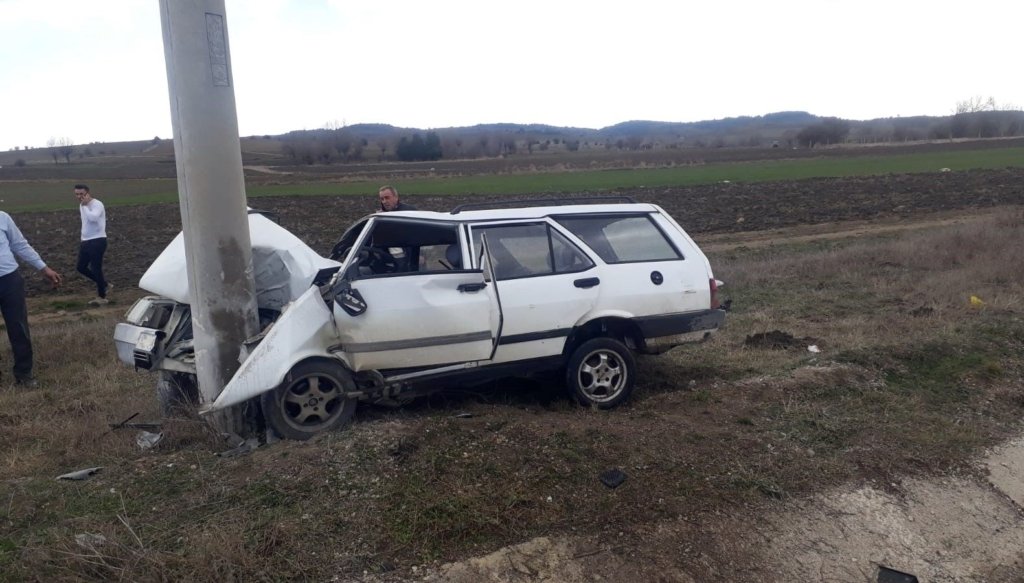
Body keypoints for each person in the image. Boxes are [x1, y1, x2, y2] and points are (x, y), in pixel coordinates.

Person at [0, 211, 63, 386]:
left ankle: (24, 373)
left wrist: (44, 268)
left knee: (18, 328)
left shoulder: (3, 218)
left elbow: (20, 245)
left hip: (9, 280)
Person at [74, 184, 110, 305]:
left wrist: (85, 207)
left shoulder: (97, 204)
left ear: (88, 193)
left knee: (96, 268)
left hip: (98, 240)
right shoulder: (82, 205)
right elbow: (85, 223)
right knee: (81, 267)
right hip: (86, 241)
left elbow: (93, 218)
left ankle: (102, 297)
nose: (79, 197)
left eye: (82, 194)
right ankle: (104, 284)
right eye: (77, 194)